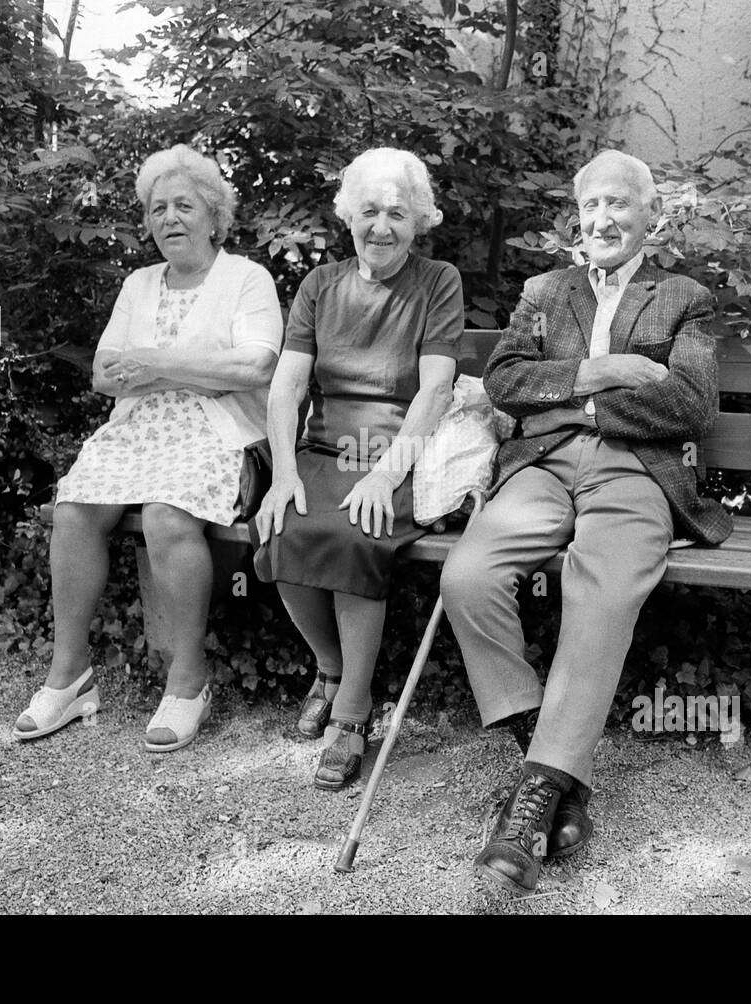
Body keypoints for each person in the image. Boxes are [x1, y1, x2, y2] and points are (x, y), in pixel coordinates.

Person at [440, 149, 733, 894]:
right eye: (591, 207)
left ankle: (534, 801)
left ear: (651, 218)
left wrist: (577, 404)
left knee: (600, 592)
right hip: (543, 465)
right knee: (467, 575)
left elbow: (691, 404)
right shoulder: (545, 291)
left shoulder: (685, 298)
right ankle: (545, 747)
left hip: (637, 470)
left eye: (619, 206)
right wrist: (596, 376)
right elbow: (506, 381)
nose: (602, 220)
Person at [14, 145, 283, 751]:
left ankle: (188, 680)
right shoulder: (138, 285)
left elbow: (253, 366)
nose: (169, 218)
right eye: (158, 208)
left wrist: (155, 364)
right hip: (135, 432)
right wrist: (187, 369)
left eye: (184, 205)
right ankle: (71, 674)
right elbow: (106, 375)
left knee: (166, 512)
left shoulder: (246, 279)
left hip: (224, 435)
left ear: (214, 216)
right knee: (75, 507)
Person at [253, 147, 463, 789]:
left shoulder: (439, 282)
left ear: (418, 220)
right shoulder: (320, 286)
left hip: (399, 451)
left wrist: (385, 474)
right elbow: (287, 388)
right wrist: (283, 472)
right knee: (281, 526)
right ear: (348, 215)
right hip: (320, 451)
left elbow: (434, 392)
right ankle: (330, 667)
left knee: (355, 533)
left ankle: (351, 715)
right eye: (369, 211)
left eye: (397, 213)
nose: (381, 226)